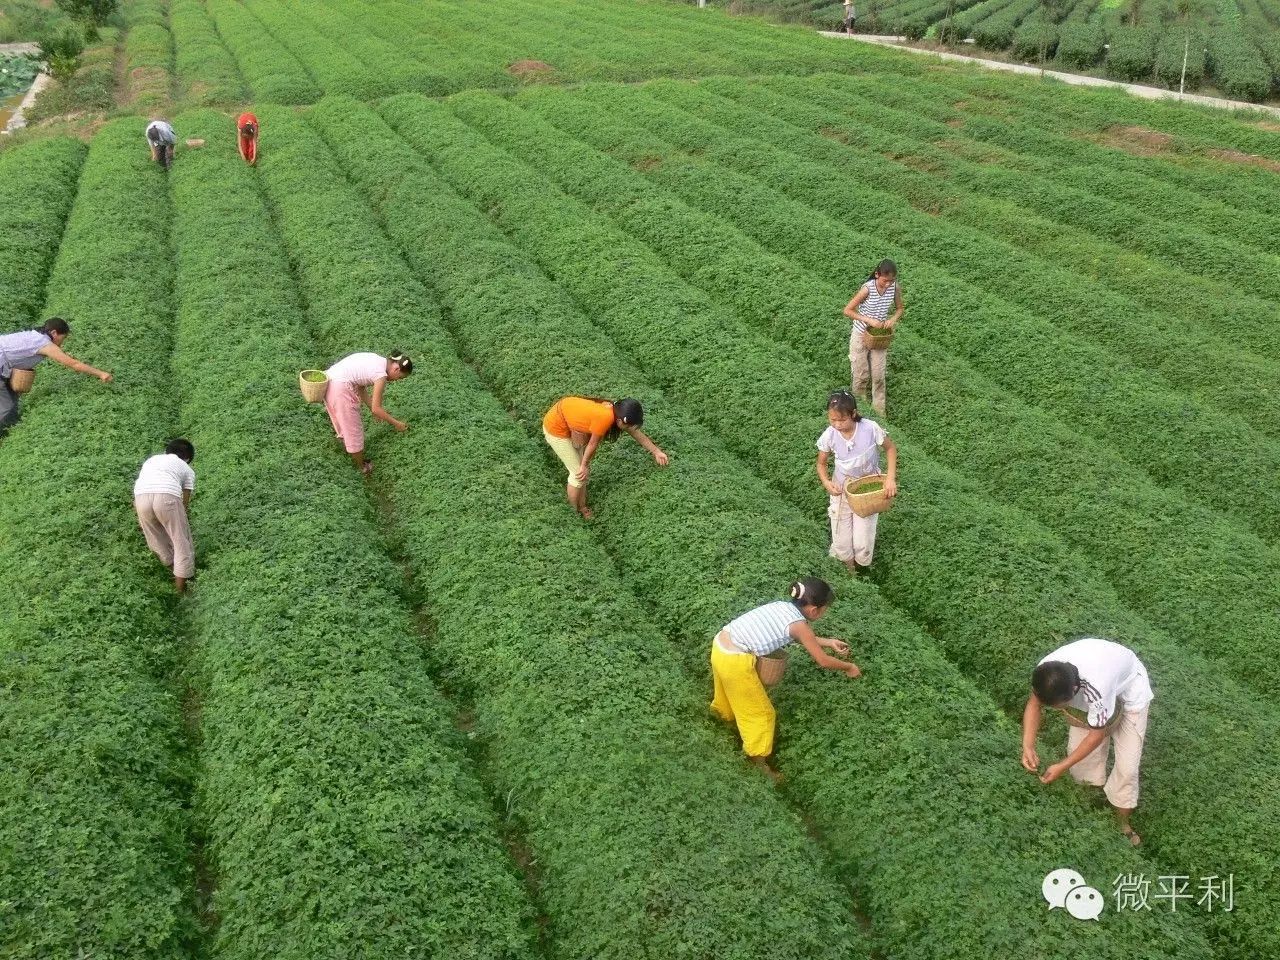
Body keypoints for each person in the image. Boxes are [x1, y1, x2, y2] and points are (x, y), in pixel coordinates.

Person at [711, 577, 861, 780]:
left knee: (728, 696)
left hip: (721, 646)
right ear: (814, 610)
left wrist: (829, 642)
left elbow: (801, 635)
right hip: (735, 662)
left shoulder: (782, 607)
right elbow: (822, 661)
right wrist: (849, 667)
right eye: (825, 609)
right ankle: (758, 765)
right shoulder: (799, 625)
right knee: (762, 715)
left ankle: (719, 723)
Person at [1021, 637, 1154, 846]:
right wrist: (1027, 746)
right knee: (1080, 758)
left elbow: (1096, 735)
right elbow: (1034, 704)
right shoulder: (1047, 673)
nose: (1055, 709)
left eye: (1056, 706)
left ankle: (1122, 822)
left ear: (1073, 692)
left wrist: (1062, 765)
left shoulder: (1096, 688)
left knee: (1127, 768)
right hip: (1098, 675)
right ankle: (1086, 802)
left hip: (1128, 688)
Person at [541, 395, 669, 519]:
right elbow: (592, 444)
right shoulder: (605, 417)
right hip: (555, 428)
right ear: (620, 421)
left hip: (567, 417)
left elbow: (635, 433)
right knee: (578, 475)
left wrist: (656, 452)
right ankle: (571, 514)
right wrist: (584, 465)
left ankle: (582, 506)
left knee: (582, 473)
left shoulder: (616, 410)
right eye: (628, 425)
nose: (629, 429)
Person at [816, 390, 897, 574]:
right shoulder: (830, 435)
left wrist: (890, 478)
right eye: (832, 420)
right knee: (842, 544)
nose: (837, 424)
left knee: (862, 543)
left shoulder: (869, 428)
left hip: (867, 492)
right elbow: (821, 464)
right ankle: (849, 571)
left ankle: (862, 572)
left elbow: (890, 449)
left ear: (853, 414)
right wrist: (827, 482)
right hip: (842, 491)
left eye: (841, 420)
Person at [0, 318, 113, 437]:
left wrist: (60, 352)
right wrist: (101, 373)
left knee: (11, 399)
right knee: (7, 406)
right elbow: (74, 364)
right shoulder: (43, 343)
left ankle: (11, 432)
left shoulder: (37, 335)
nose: (62, 342)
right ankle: (9, 432)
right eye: (62, 338)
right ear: (54, 333)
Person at [323, 351, 412, 476]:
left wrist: (373, 408)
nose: (397, 380)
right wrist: (397, 424)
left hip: (330, 381)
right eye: (400, 377)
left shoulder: (377, 360)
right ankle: (360, 468)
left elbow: (361, 387)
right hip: (340, 388)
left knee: (345, 423)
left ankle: (349, 454)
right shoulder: (380, 375)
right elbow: (377, 408)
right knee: (354, 430)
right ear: (396, 368)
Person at [134, 439, 198, 593]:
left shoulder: (151, 461)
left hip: (141, 498)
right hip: (167, 497)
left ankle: (174, 571)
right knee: (181, 541)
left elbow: (142, 483)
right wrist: (183, 514)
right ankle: (182, 591)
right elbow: (185, 499)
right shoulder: (186, 469)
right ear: (188, 458)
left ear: (167, 451)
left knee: (156, 540)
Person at [843, 258, 904, 417]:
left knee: (878, 375)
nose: (888, 284)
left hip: (879, 337)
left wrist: (892, 320)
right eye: (885, 280)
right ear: (877, 275)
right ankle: (859, 407)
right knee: (861, 373)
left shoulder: (895, 288)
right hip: (860, 333)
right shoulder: (867, 289)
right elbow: (848, 310)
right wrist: (869, 320)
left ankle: (879, 412)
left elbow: (899, 309)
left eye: (892, 280)